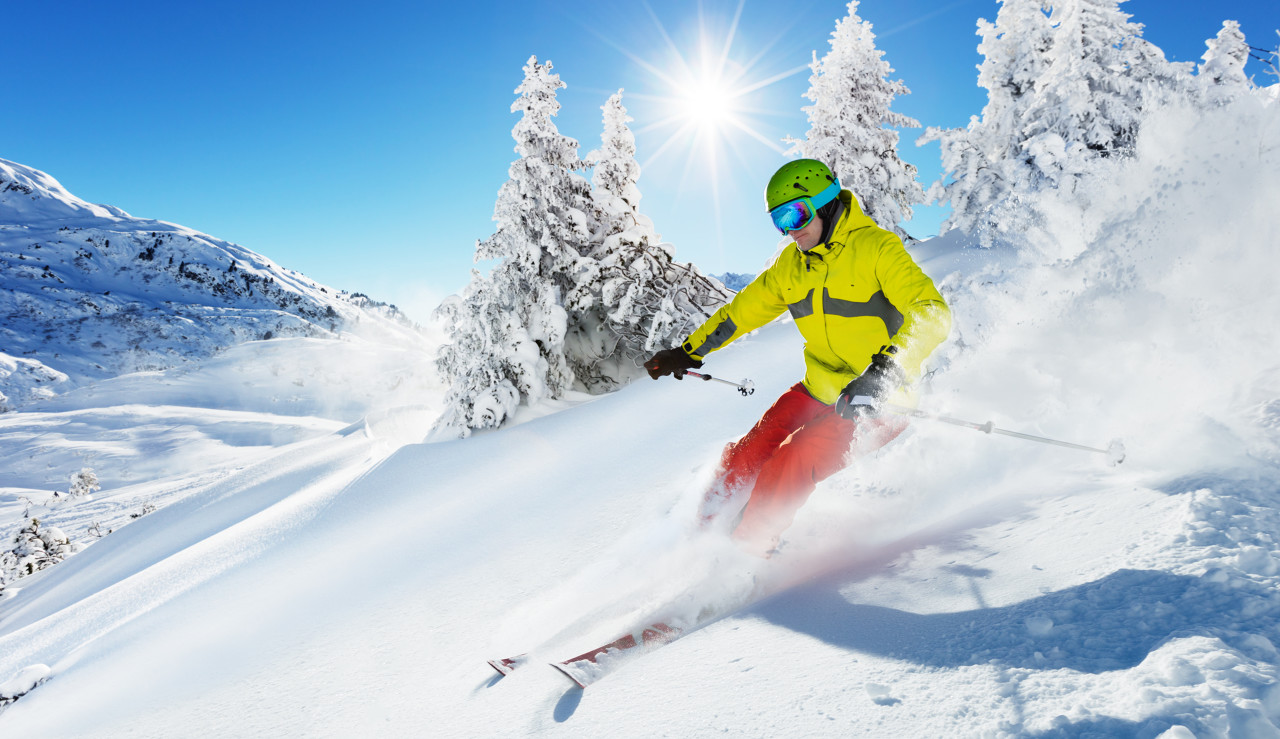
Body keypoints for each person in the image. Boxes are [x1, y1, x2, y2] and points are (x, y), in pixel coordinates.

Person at [644, 159, 951, 556]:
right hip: (819, 389)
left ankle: (741, 560)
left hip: (878, 399)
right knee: (748, 452)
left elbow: (932, 313)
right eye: (779, 220)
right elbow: (740, 313)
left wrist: (885, 372)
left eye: (796, 214)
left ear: (825, 204)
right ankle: (697, 541)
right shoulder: (792, 266)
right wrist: (687, 352)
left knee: (790, 460)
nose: (790, 229)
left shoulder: (876, 249)